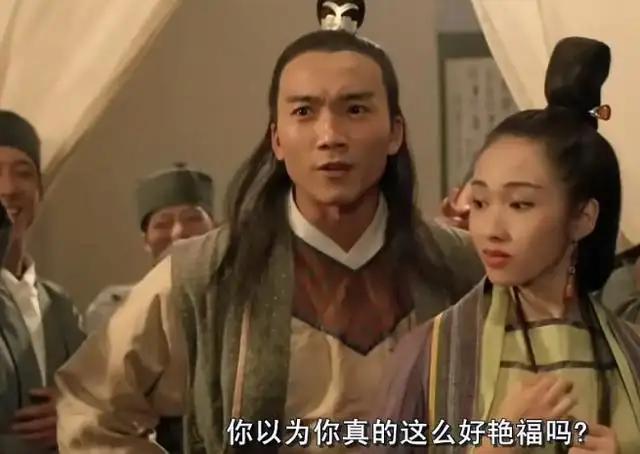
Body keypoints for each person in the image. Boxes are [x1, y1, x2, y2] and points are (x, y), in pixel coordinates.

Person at [55, 2, 483, 453]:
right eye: (304, 112)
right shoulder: (208, 273)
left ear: (395, 133)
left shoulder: (462, 266)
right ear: (276, 139)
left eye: (355, 109)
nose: (330, 136)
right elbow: (89, 406)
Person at [371, 37, 640, 454]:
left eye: (520, 204)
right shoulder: (434, 352)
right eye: (480, 203)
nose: (491, 229)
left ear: (582, 217)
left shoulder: (631, 352)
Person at [0, 110, 85, 453]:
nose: (8, 189)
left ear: (40, 191)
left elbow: (95, 394)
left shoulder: (60, 307)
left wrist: (76, 414)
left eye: (23, 173)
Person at [83, 162, 216, 334]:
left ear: (215, 229)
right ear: (146, 241)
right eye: (162, 223)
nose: (178, 232)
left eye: (192, 219)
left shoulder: (239, 303)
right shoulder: (114, 307)